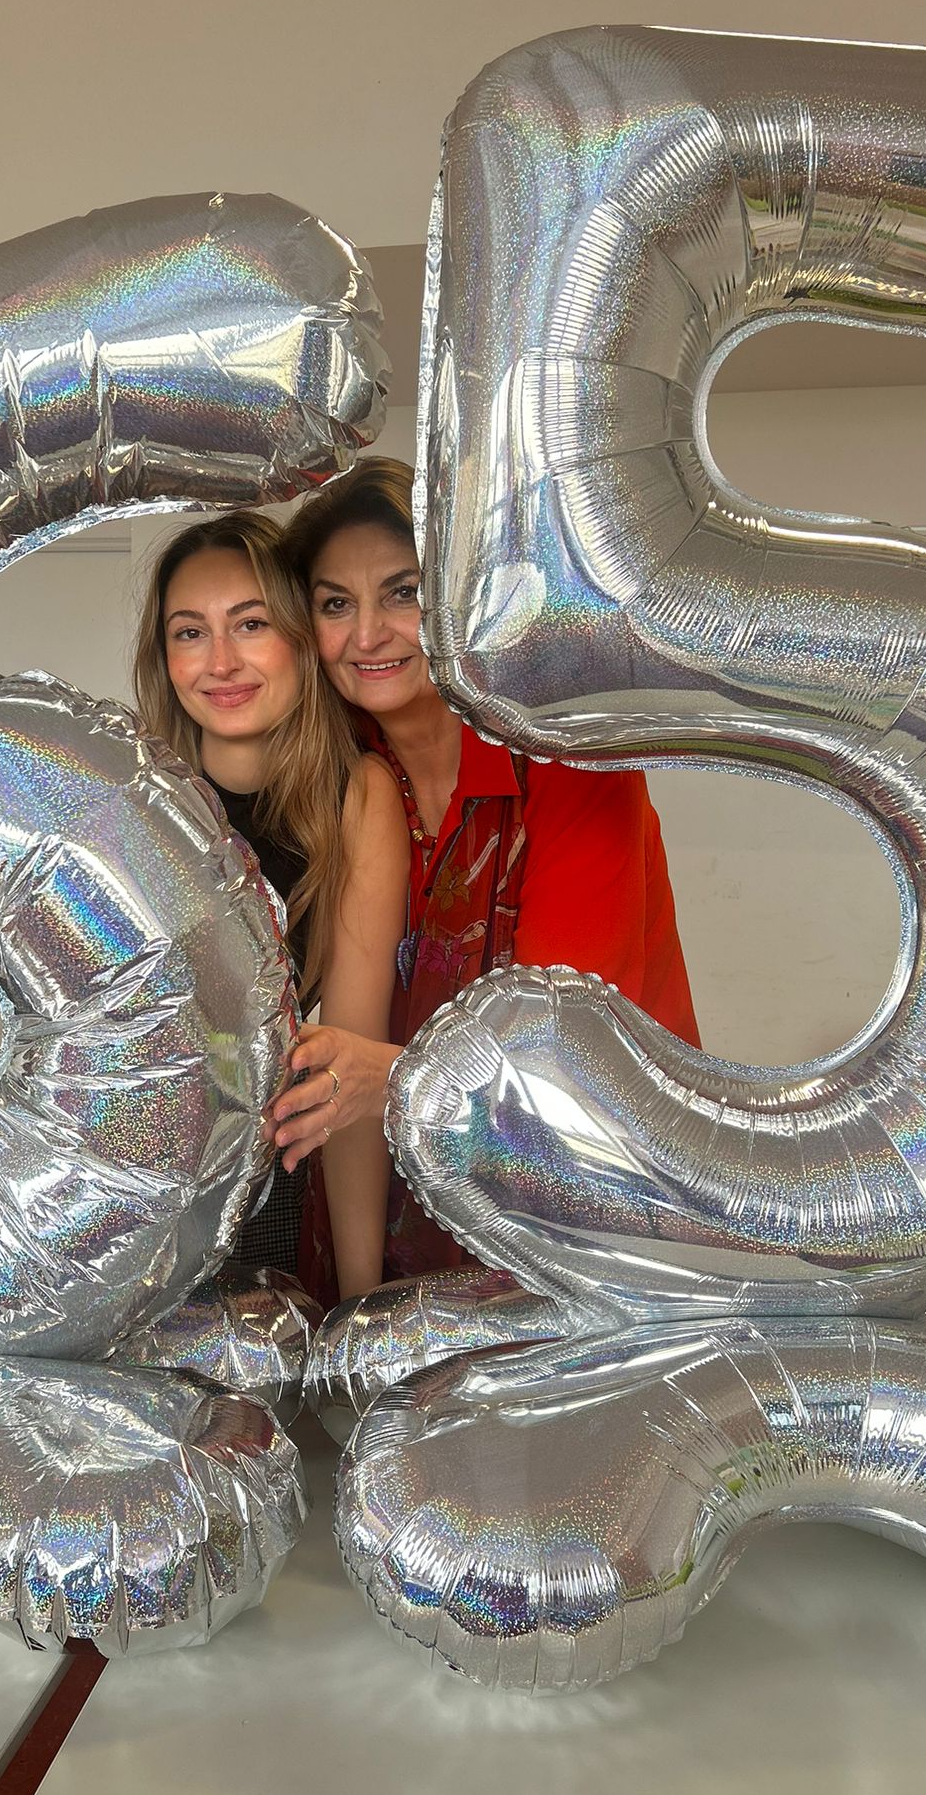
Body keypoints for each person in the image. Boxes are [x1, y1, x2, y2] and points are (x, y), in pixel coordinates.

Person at [265, 458, 700, 1307]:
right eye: (335, 604)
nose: (368, 635)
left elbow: (566, 1068)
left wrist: (391, 1078)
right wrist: (359, 1306)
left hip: (588, 1219)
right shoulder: (340, 774)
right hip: (383, 1212)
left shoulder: (570, 759)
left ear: (463, 596)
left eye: (403, 594)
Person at [133, 511, 406, 1293]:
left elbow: (342, 1080)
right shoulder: (134, 794)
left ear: (299, 637)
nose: (220, 661)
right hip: (123, 1177)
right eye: (190, 632)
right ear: (164, 657)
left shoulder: (359, 798)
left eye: (250, 624)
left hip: (267, 1176)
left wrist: (357, 1302)